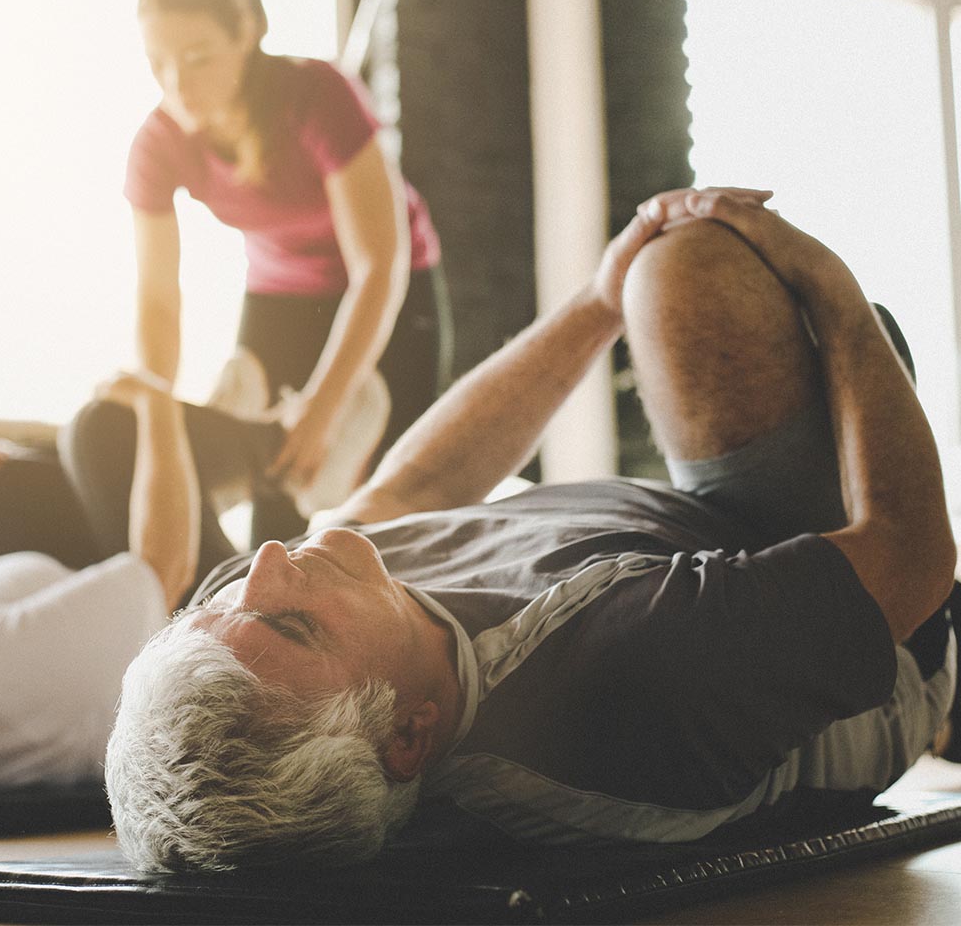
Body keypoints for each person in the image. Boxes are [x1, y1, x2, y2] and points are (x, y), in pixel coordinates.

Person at [104, 186, 957, 873]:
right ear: (411, 735)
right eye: (287, 620)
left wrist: (598, 297)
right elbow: (914, 562)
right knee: (688, 272)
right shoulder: (629, 674)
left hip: (681, 549)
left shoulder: (350, 633)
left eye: (212, 605)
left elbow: (419, 484)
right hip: (894, 639)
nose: (265, 565)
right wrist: (837, 296)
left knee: (642, 281)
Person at [127, 0, 451, 542]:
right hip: (278, 291)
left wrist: (323, 410)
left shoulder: (318, 95)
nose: (178, 84)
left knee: (393, 497)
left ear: (245, 32)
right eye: (158, 63)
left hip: (391, 287)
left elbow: (379, 266)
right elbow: (157, 301)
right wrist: (157, 418)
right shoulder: (157, 144)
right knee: (274, 494)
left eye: (197, 58)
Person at [0, 374, 202, 787]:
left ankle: (266, 442)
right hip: (185, 609)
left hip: (63, 573)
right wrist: (157, 403)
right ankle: (277, 447)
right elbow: (166, 567)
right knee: (104, 429)